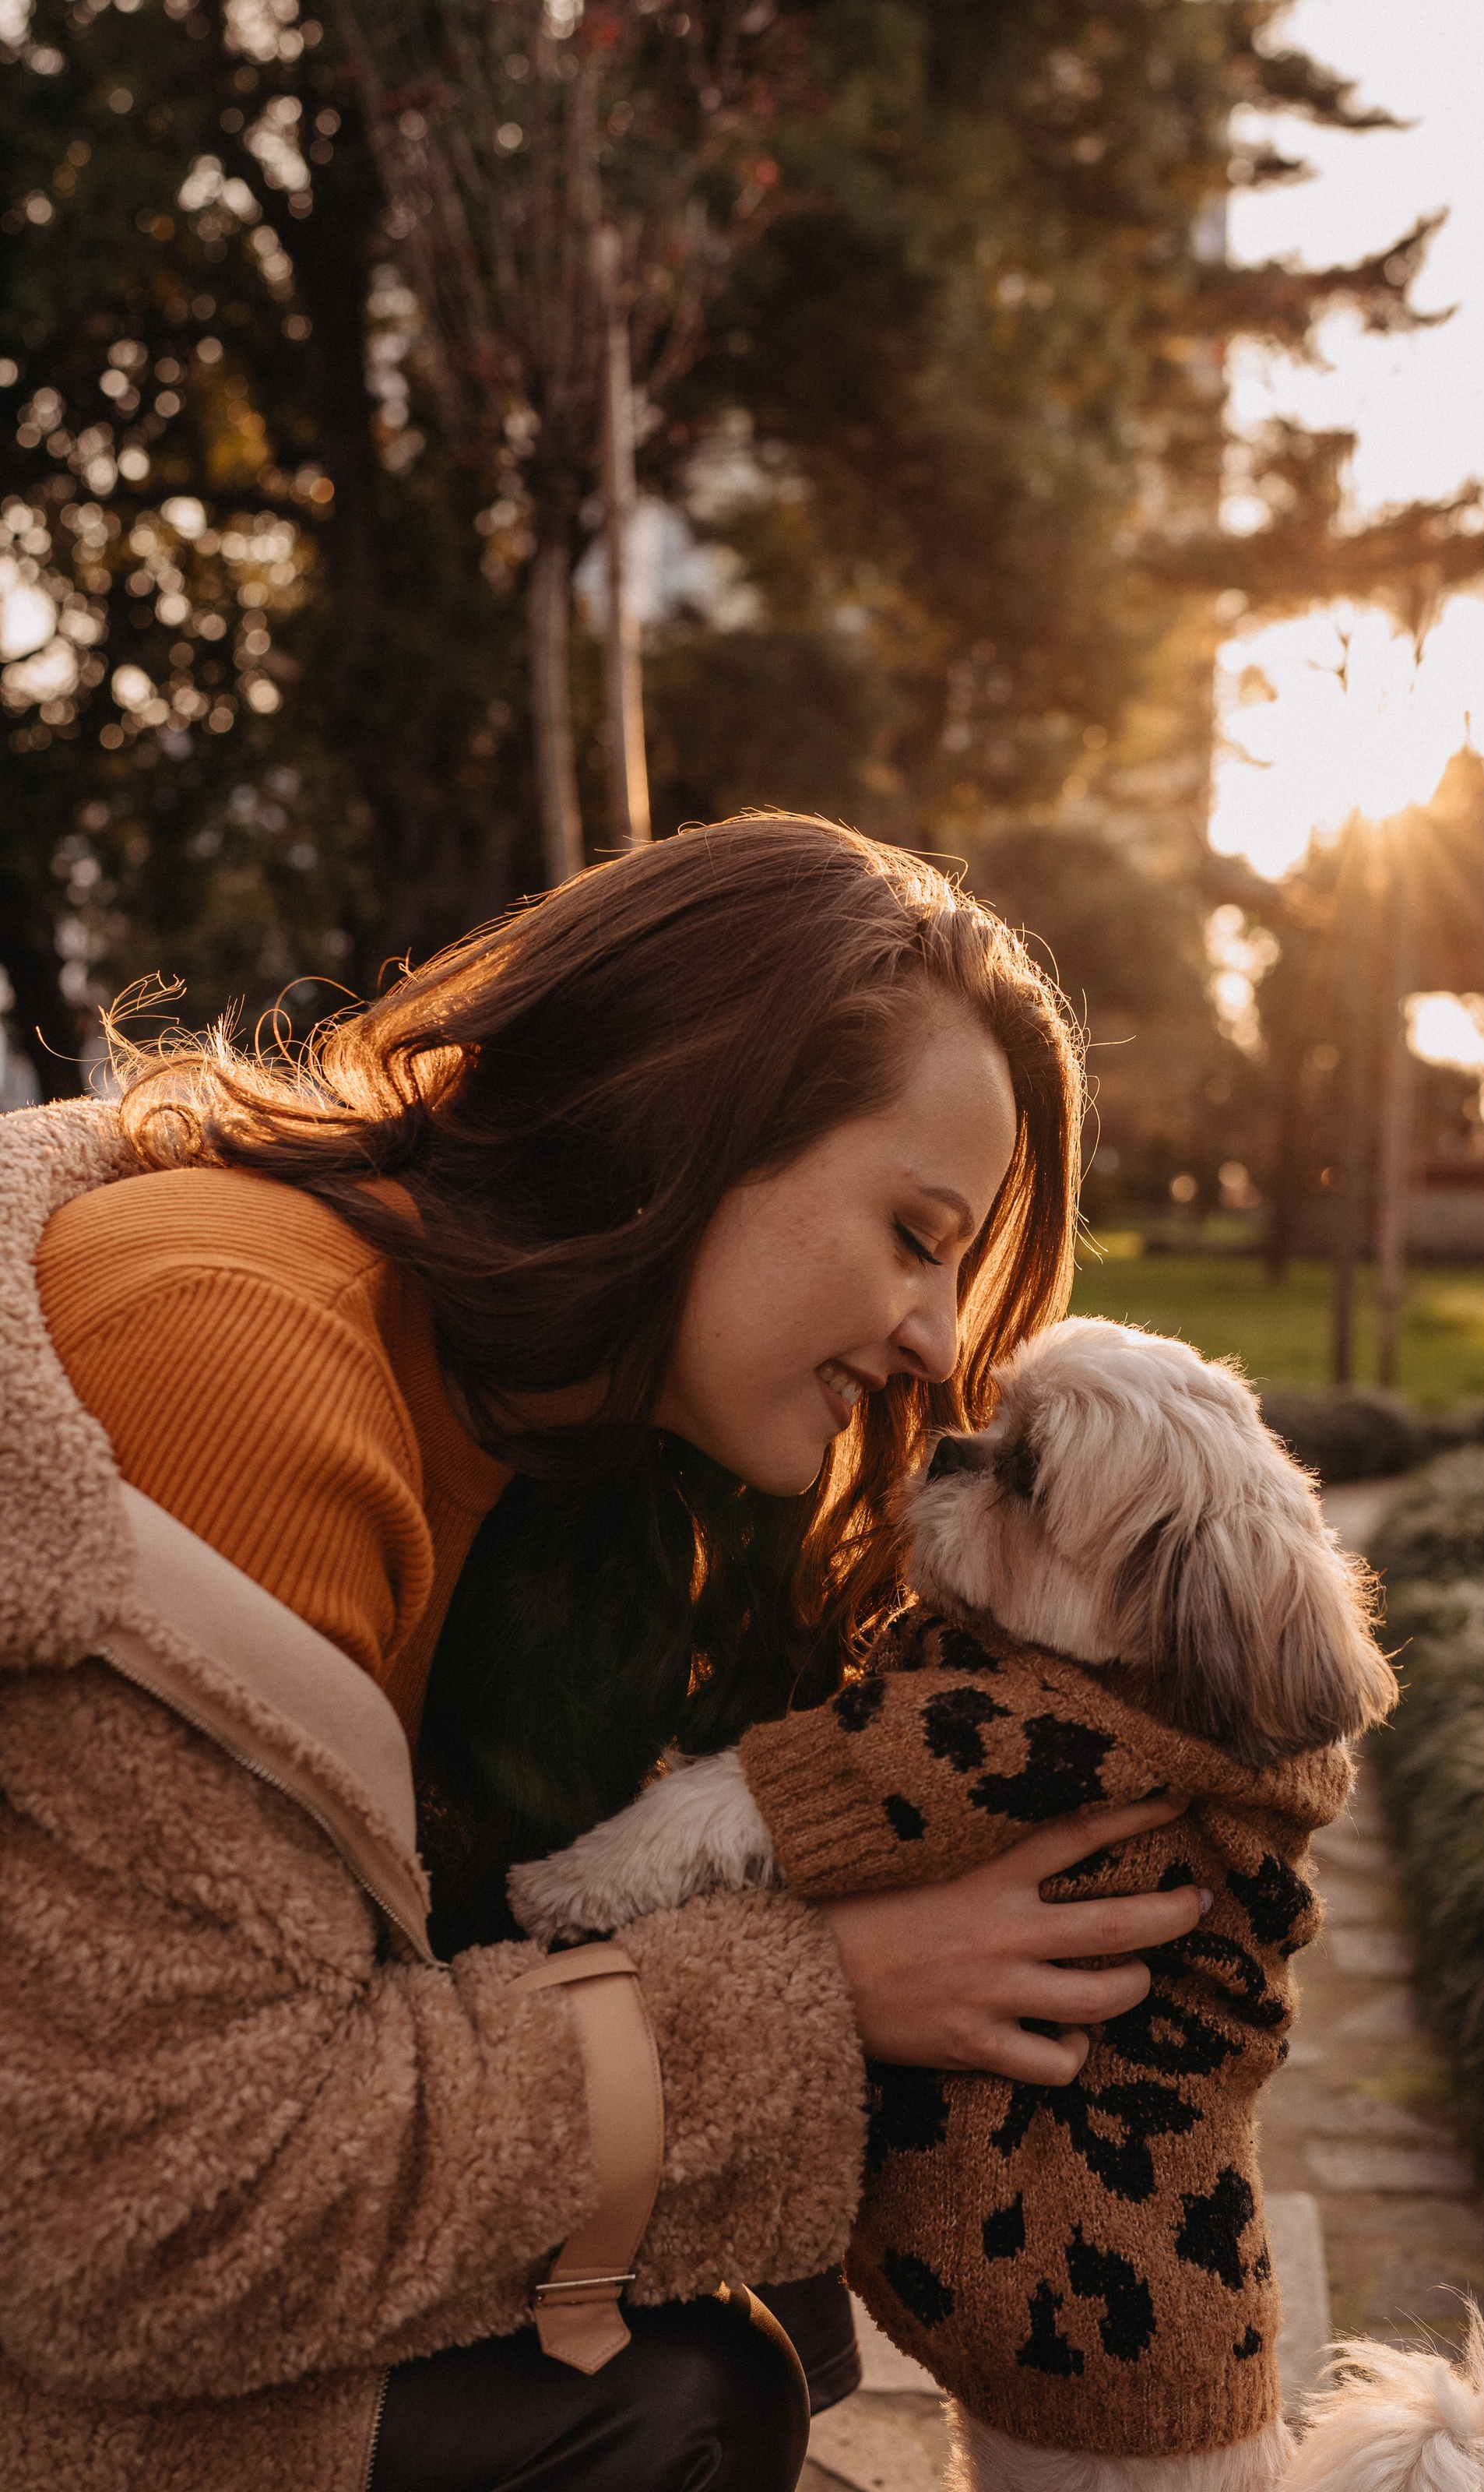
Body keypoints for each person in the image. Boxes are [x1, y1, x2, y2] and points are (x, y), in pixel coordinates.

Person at [0, 816, 1207, 2492]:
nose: (940, 1339)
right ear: (686, 1128)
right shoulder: (232, 1365)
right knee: (680, 2397)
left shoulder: (563, 1442)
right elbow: (138, 2208)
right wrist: (827, 1998)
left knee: (754, 2299)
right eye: (916, 1234)